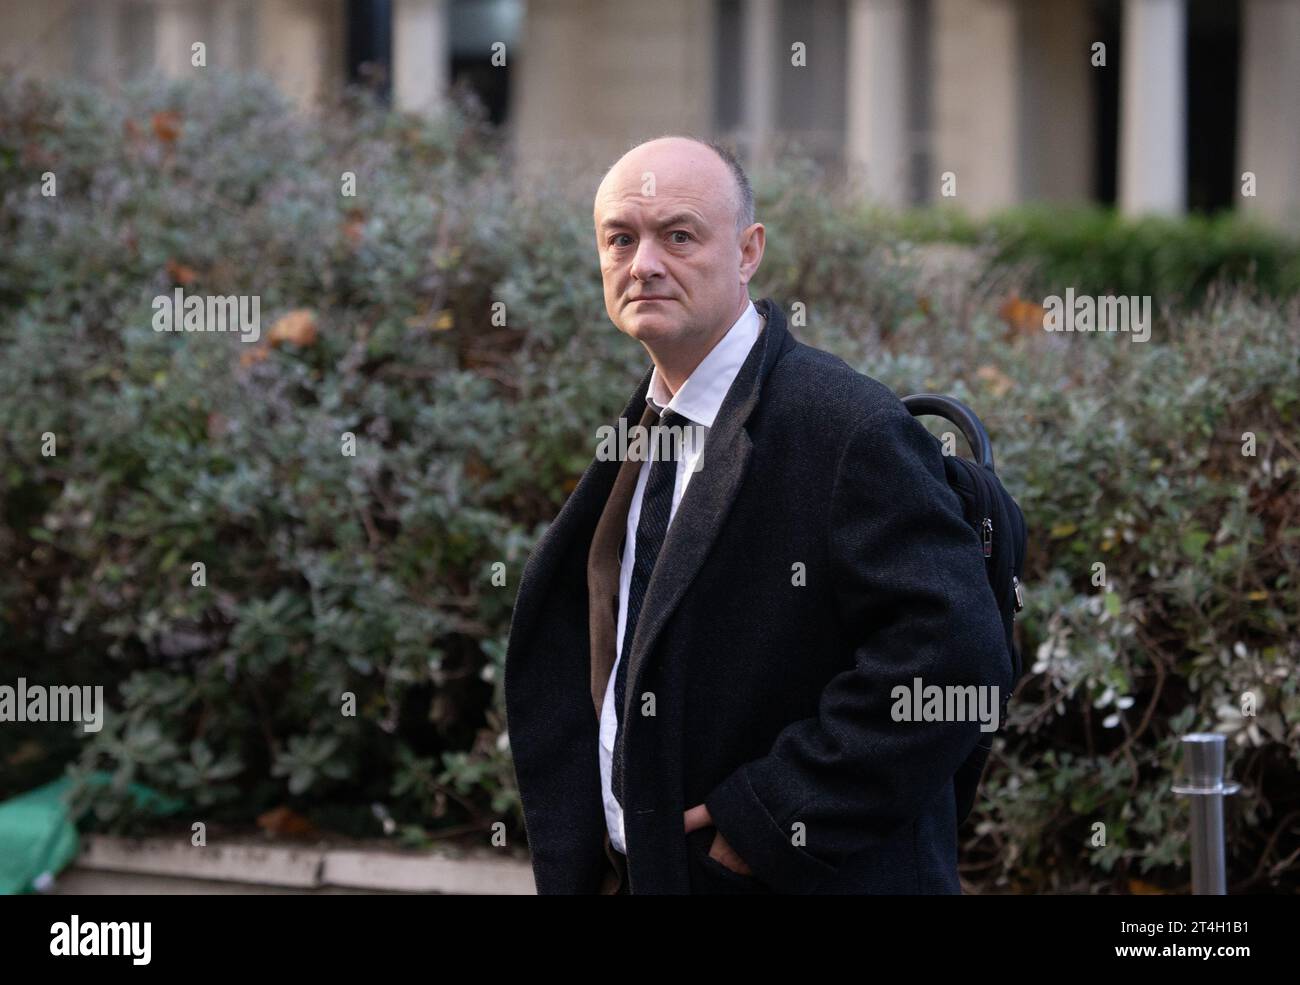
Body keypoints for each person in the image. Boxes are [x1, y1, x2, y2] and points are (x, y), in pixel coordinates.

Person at [503, 135, 1011, 894]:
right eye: (621, 238)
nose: (643, 263)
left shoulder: (844, 425)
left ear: (748, 252)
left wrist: (770, 818)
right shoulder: (647, 422)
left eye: (678, 235)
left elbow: (956, 659)